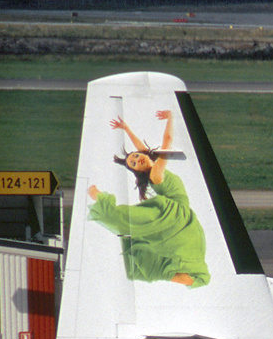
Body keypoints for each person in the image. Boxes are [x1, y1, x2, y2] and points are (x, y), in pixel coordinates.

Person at [86, 109, 210, 288]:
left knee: (188, 259)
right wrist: (170, 118)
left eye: (137, 156)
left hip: (183, 213)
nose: (138, 159)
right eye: (134, 164)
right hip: (172, 212)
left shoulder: (148, 161)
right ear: (138, 171)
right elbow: (167, 142)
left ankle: (173, 274)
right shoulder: (156, 173)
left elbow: (140, 149)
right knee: (127, 216)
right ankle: (100, 197)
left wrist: (126, 128)